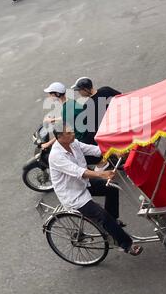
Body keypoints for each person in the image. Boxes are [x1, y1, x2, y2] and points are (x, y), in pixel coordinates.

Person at [49, 123, 143, 256]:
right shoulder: (56, 156)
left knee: (111, 188)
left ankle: (112, 224)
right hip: (72, 194)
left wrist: (114, 151)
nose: (73, 134)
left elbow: (94, 150)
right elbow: (78, 171)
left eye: (72, 131)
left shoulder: (73, 143)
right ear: (59, 137)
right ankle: (126, 244)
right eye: (69, 133)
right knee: (102, 216)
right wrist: (102, 174)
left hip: (83, 183)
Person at [71, 77, 120, 145]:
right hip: (120, 123)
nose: (79, 93)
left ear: (85, 89)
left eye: (79, 90)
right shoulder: (106, 90)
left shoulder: (87, 106)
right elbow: (121, 97)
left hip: (108, 134)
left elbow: (89, 126)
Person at [41, 82, 87, 149]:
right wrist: (52, 120)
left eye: (51, 94)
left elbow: (63, 134)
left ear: (57, 94)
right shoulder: (71, 101)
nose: (49, 96)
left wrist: (48, 144)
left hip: (80, 139)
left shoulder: (66, 109)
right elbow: (68, 117)